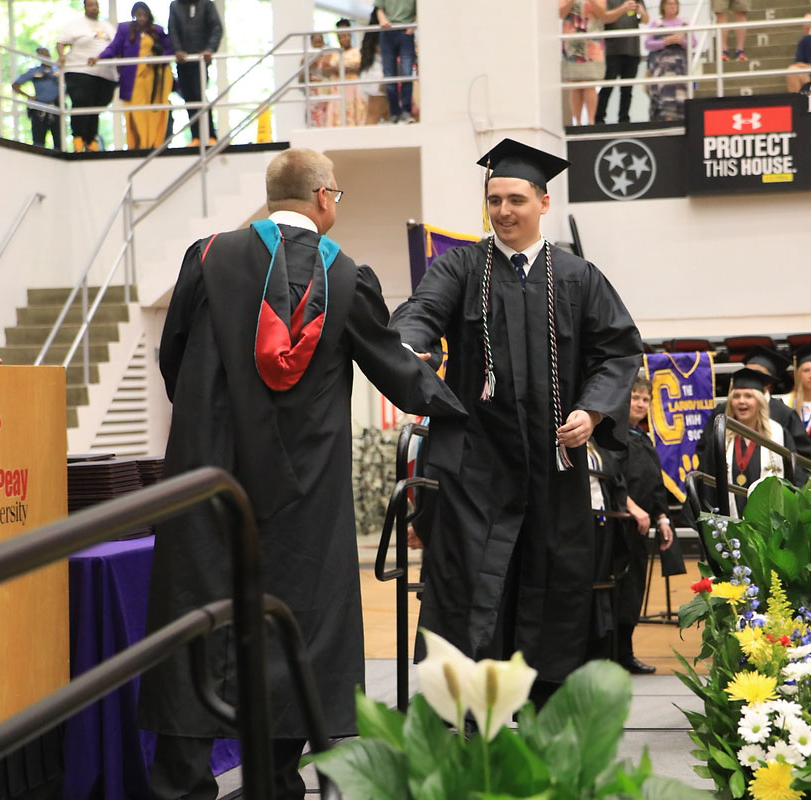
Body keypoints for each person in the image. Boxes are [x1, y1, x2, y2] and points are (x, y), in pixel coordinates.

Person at [137, 148, 466, 799]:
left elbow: (172, 357)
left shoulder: (206, 258)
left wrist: (210, 417)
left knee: (198, 620)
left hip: (209, 482)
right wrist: (468, 410)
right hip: (303, 494)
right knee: (292, 626)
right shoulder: (344, 277)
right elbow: (398, 373)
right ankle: (276, 786)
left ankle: (181, 787)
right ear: (323, 198)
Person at [390, 138, 642, 707]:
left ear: (543, 204)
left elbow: (618, 351)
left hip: (554, 466)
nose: (503, 211)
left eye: (516, 199)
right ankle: (463, 718)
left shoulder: (578, 277)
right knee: (467, 586)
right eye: (494, 199)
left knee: (554, 584)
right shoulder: (461, 266)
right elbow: (420, 312)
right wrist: (410, 346)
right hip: (477, 465)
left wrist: (593, 408)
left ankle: (545, 714)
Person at [604, 374, 675, 674]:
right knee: (616, 591)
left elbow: (654, 483)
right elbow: (612, 478)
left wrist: (662, 516)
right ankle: (608, 656)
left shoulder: (643, 437)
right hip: (617, 524)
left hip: (641, 528)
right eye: (635, 397)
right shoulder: (612, 435)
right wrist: (631, 508)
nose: (641, 403)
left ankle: (625, 653)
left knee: (634, 592)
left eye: (646, 399)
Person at [703, 368, 797, 517]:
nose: (741, 401)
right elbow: (708, 484)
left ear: (759, 401)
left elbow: (794, 478)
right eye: (737, 396)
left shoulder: (778, 434)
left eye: (748, 396)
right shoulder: (720, 437)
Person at [93, 2, 175, 150]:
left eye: (144, 15)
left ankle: (153, 144)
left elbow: (170, 48)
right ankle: (138, 145)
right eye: (138, 15)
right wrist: (99, 57)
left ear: (148, 15)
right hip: (132, 80)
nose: (141, 18)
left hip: (153, 81)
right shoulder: (125, 29)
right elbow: (114, 48)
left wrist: (158, 60)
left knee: (153, 113)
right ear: (134, 15)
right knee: (136, 113)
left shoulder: (157, 31)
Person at [57, 0, 118, 152]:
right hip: (80, 69)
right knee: (82, 103)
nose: (94, 8)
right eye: (90, 5)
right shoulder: (75, 25)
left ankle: (91, 140)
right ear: (84, 6)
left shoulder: (107, 26)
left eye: (96, 5)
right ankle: (78, 139)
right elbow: (61, 42)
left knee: (96, 107)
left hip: (105, 74)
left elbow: (117, 45)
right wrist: (61, 55)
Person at [168, 0, 223, 146]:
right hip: (183, 61)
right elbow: (172, 30)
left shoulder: (206, 4)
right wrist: (178, 50)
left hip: (200, 60)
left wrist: (210, 49)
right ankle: (196, 137)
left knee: (200, 96)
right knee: (189, 99)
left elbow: (217, 28)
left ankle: (211, 136)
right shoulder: (175, 6)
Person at [595, 0, 648, 125]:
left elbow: (646, 20)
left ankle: (624, 119)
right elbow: (605, 17)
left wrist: (641, 12)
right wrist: (623, 9)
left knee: (627, 89)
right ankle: (598, 119)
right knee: (607, 87)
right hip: (612, 50)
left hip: (632, 50)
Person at [644, 0, 694, 122]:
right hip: (661, 68)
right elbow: (648, 44)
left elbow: (693, 42)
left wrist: (681, 41)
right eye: (669, 4)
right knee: (664, 96)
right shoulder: (656, 24)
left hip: (680, 68)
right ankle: (665, 119)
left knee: (680, 96)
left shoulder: (685, 23)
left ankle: (680, 120)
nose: (672, 7)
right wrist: (665, 42)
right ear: (663, 6)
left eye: (674, 4)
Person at [562, 0, 608, 126]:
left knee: (590, 82)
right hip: (572, 42)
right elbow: (560, 13)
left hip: (591, 41)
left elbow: (604, 14)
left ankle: (590, 121)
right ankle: (577, 121)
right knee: (575, 83)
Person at [375, 0, 417, 123]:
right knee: (389, 76)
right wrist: (383, 21)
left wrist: (412, 26)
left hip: (405, 31)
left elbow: (421, 11)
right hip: (388, 31)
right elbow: (379, 9)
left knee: (406, 73)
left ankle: (406, 111)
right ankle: (394, 112)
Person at [318, 19, 366, 127]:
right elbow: (325, 70)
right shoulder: (333, 54)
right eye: (340, 37)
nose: (343, 39)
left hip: (354, 90)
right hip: (338, 91)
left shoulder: (358, 51)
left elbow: (360, 67)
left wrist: (341, 69)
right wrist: (339, 69)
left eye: (345, 36)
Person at [12, 47, 61, 150]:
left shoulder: (58, 71)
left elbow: (68, 85)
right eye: (42, 54)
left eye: (47, 53)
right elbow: (15, 85)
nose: (45, 56)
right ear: (38, 57)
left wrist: (62, 95)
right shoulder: (34, 72)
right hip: (40, 109)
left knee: (59, 141)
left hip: (56, 108)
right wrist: (28, 96)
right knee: (38, 142)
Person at [359, 10, 391, 125]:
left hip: (370, 75)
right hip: (378, 76)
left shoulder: (370, 35)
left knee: (386, 117)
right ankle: (366, 143)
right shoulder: (381, 32)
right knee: (373, 116)